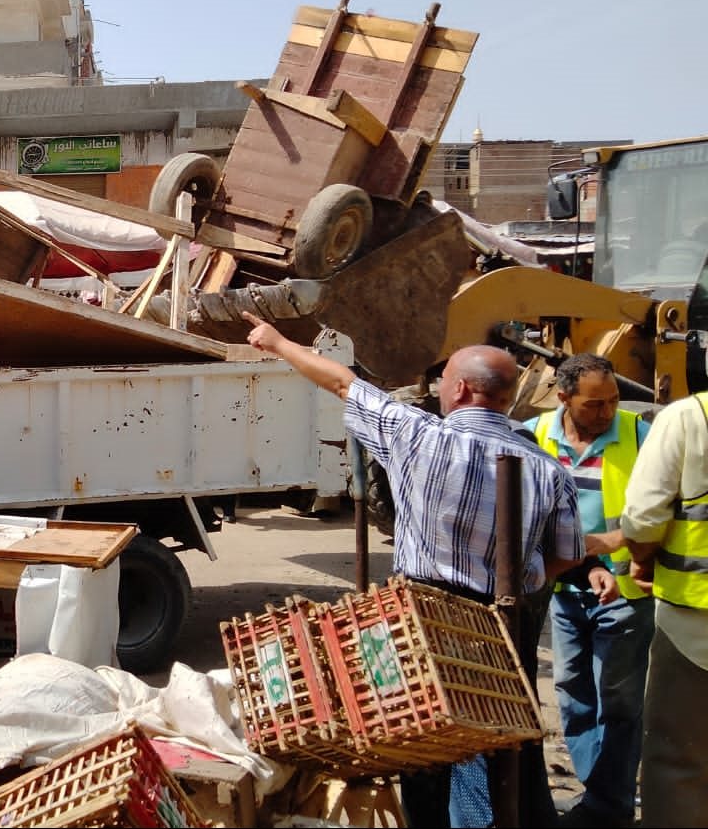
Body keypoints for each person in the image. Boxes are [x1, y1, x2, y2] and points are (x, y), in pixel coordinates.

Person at [241, 313, 587, 827]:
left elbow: (342, 382)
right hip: (506, 628)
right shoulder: (546, 467)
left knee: (424, 748)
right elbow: (569, 553)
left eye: (444, 382)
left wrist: (277, 342)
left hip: (421, 624)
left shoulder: (420, 437)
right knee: (505, 745)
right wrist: (525, 575)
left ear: (462, 388)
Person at [524, 354, 652, 828]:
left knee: (618, 704)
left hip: (623, 596)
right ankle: (599, 792)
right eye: (595, 404)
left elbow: (663, 509)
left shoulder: (638, 433)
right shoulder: (535, 436)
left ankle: (608, 805)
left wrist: (617, 551)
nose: (607, 412)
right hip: (564, 591)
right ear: (563, 399)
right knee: (573, 695)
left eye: (613, 400)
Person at [620, 390, 708, 828]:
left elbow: (642, 515)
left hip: (695, 626)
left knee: (679, 762)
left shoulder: (691, 418)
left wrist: (641, 557)